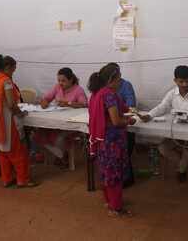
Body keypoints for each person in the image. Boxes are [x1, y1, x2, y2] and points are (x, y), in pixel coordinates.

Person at [140, 65, 188, 182]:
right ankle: (184, 165)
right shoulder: (171, 94)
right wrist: (150, 115)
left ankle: (181, 170)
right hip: (176, 134)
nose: (185, 84)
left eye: (187, 81)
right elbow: (162, 107)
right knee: (163, 148)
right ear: (175, 80)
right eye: (181, 81)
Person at [0, 55, 37, 188]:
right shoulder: (5, 81)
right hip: (7, 122)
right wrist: (21, 113)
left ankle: (7, 179)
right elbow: (11, 104)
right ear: (7, 67)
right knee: (18, 152)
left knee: (1, 151)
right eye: (13, 69)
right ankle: (23, 180)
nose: (14, 72)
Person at [88, 63, 136, 217]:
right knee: (114, 173)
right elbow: (116, 121)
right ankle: (116, 208)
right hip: (112, 140)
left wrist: (130, 111)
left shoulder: (97, 93)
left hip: (102, 139)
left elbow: (123, 107)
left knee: (106, 171)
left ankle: (110, 201)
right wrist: (129, 121)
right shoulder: (108, 94)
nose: (120, 81)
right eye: (119, 79)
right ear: (112, 79)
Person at [33, 67, 87, 168]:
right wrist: (44, 102)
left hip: (70, 123)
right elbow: (47, 98)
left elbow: (83, 104)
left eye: (63, 81)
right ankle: (60, 155)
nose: (60, 83)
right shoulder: (57, 87)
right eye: (59, 80)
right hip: (57, 120)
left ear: (71, 80)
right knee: (38, 133)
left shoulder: (78, 90)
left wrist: (68, 103)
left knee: (59, 138)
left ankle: (61, 156)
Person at [106, 62, 136, 188]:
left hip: (120, 126)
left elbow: (131, 105)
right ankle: (119, 179)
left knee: (124, 146)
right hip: (114, 127)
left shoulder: (125, 85)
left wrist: (118, 111)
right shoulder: (106, 92)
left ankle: (124, 178)